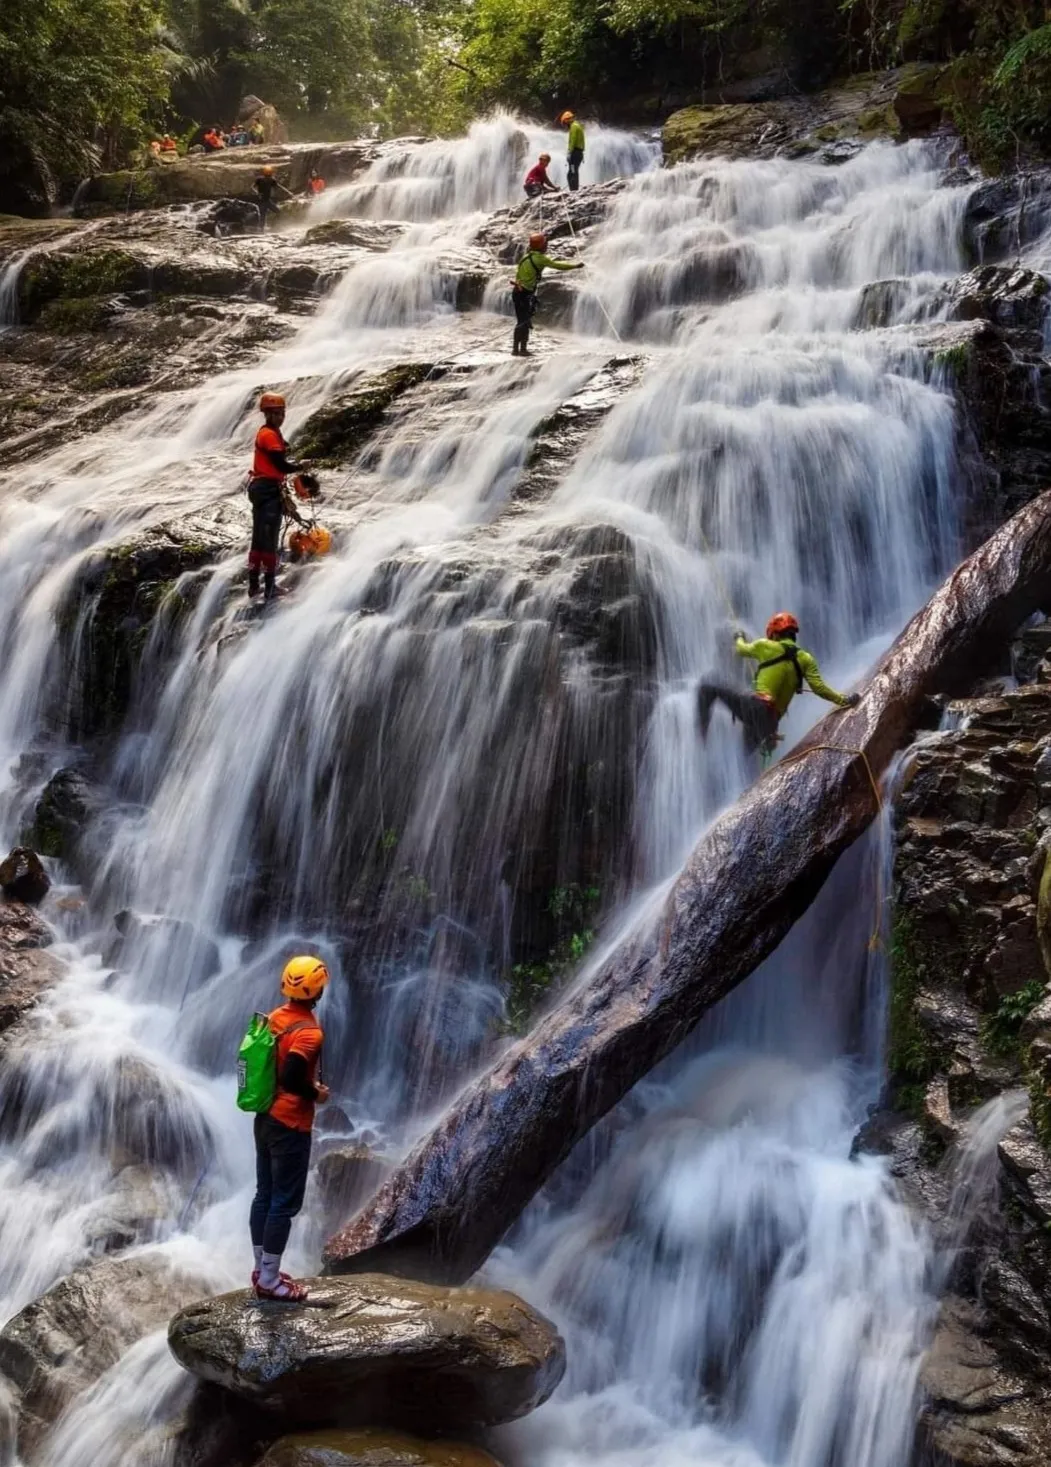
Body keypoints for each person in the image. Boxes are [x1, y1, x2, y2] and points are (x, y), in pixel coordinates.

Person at [249, 955, 330, 1302]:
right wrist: (318, 1093)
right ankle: (269, 1280)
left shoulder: (276, 1018)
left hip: (264, 1116)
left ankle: (260, 1266)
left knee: (264, 1194)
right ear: (318, 991)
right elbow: (293, 1076)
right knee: (283, 1203)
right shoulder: (309, 1032)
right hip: (290, 1124)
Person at [697, 612, 860, 757]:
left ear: (774, 634)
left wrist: (738, 635)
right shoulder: (806, 659)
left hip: (756, 708)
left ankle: (699, 740)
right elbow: (820, 689)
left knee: (708, 682)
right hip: (770, 725)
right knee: (742, 756)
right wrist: (845, 700)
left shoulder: (765, 646)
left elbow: (741, 649)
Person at [247, 393, 312, 600]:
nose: (279, 417)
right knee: (269, 540)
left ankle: (254, 586)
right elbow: (280, 465)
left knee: (259, 538)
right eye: (275, 413)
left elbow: (279, 455)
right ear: (266, 414)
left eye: (281, 413)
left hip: (260, 488)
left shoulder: (271, 432)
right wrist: (300, 466)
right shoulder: (268, 435)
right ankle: (269, 589)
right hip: (267, 490)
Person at [511, 231, 584, 356]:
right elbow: (557, 265)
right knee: (524, 322)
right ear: (541, 246)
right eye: (545, 244)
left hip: (517, 292)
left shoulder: (526, 256)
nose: (546, 246)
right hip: (525, 294)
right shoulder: (540, 259)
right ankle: (521, 350)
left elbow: (519, 274)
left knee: (521, 320)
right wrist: (575, 266)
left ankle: (516, 349)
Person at [254, 165, 289, 229]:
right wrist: (257, 193)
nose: (268, 173)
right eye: (268, 172)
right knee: (263, 216)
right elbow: (252, 187)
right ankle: (262, 229)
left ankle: (273, 225)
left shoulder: (271, 180)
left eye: (269, 172)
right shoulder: (259, 179)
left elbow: (278, 186)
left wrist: (288, 192)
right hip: (262, 201)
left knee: (277, 212)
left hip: (267, 200)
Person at [559, 111, 585, 192]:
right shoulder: (578, 125)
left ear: (568, 119)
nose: (565, 124)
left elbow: (573, 140)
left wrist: (570, 152)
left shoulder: (573, 126)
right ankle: (575, 189)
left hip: (575, 154)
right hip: (579, 153)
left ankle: (573, 190)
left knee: (571, 172)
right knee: (574, 171)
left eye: (565, 122)